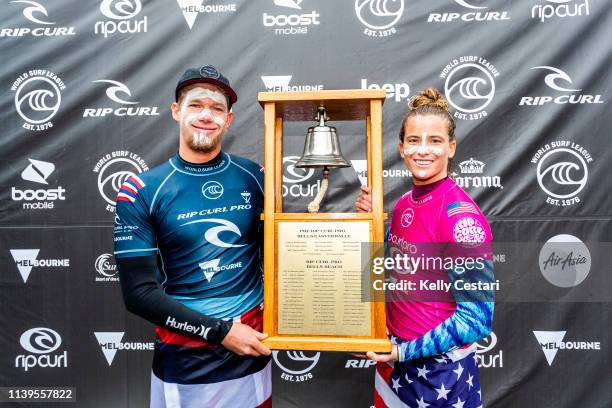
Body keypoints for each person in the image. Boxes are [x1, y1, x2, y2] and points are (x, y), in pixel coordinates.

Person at [113, 65, 272, 408]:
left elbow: (286, 249)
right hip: (185, 352)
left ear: (228, 120)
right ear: (176, 112)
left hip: (251, 343)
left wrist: (357, 223)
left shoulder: (256, 177)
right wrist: (221, 332)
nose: (206, 115)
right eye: (196, 105)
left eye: (216, 108)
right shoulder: (141, 190)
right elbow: (138, 294)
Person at [356, 87, 495, 408]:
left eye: (435, 141)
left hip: (439, 375)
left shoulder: (462, 220)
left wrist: (402, 352)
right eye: (415, 140)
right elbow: (399, 268)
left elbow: (476, 319)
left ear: (451, 147)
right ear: (401, 148)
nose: (423, 150)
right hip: (395, 365)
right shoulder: (405, 203)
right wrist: (373, 223)